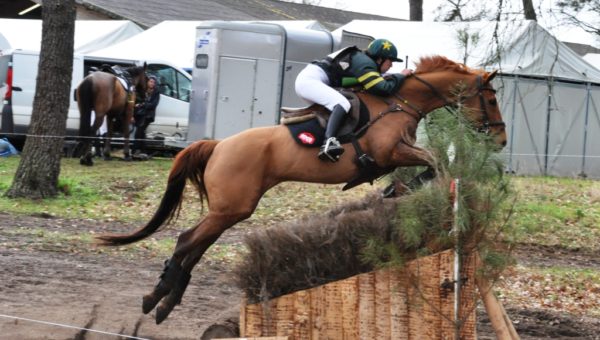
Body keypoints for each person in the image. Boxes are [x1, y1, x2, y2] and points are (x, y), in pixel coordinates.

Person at [295, 39, 413, 162]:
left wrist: (397, 75)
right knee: (342, 103)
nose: (391, 65)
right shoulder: (364, 63)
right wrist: (402, 76)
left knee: (341, 111)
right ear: (380, 59)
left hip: (313, 81)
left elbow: (380, 79)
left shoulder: (363, 60)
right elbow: (382, 89)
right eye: (390, 61)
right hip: (310, 82)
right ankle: (328, 143)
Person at [132, 75, 160, 159]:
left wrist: (142, 105)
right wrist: (140, 105)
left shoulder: (156, 92)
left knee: (138, 132)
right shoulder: (142, 91)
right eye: (150, 81)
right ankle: (144, 151)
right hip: (139, 114)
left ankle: (134, 150)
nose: (152, 83)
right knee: (142, 133)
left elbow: (153, 105)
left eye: (153, 82)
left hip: (148, 115)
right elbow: (135, 102)